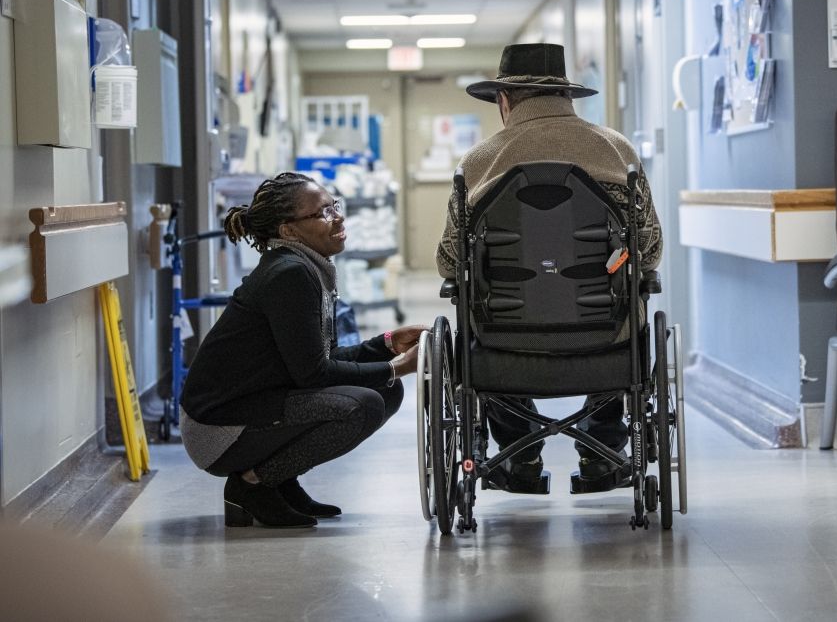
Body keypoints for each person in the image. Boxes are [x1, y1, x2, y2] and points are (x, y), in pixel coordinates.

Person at [436, 42, 662, 491]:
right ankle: (602, 451)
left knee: (480, 305)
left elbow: (449, 262)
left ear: (505, 100)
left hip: (503, 339)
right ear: (567, 95)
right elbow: (649, 251)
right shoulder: (618, 151)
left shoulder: (478, 163)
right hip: (606, 337)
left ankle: (518, 455)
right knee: (627, 299)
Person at [180, 172, 425, 528]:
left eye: (334, 206)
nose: (338, 217)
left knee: (385, 391)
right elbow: (314, 374)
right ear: (289, 231)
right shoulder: (289, 274)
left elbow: (320, 359)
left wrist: (387, 344)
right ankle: (252, 485)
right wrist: (397, 367)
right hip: (218, 429)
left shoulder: (305, 267)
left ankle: (279, 481)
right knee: (364, 404)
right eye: (323, 212)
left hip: (255, 404)